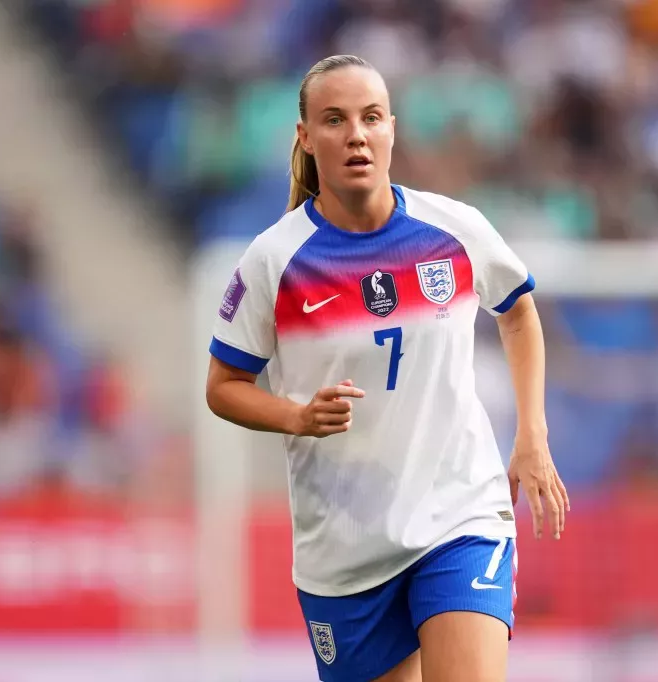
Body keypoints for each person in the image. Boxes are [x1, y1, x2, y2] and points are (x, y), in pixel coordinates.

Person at [205, 54, 569, 682]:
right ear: (305, 137)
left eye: (371, 117)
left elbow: (518, 312)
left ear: (393, 128)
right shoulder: (273, 261)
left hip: (460, 513)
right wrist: (296, 414)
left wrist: (532, 435)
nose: (356, 135)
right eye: (335, 120)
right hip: (345, 550)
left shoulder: (454, 229)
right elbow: (224, 387)